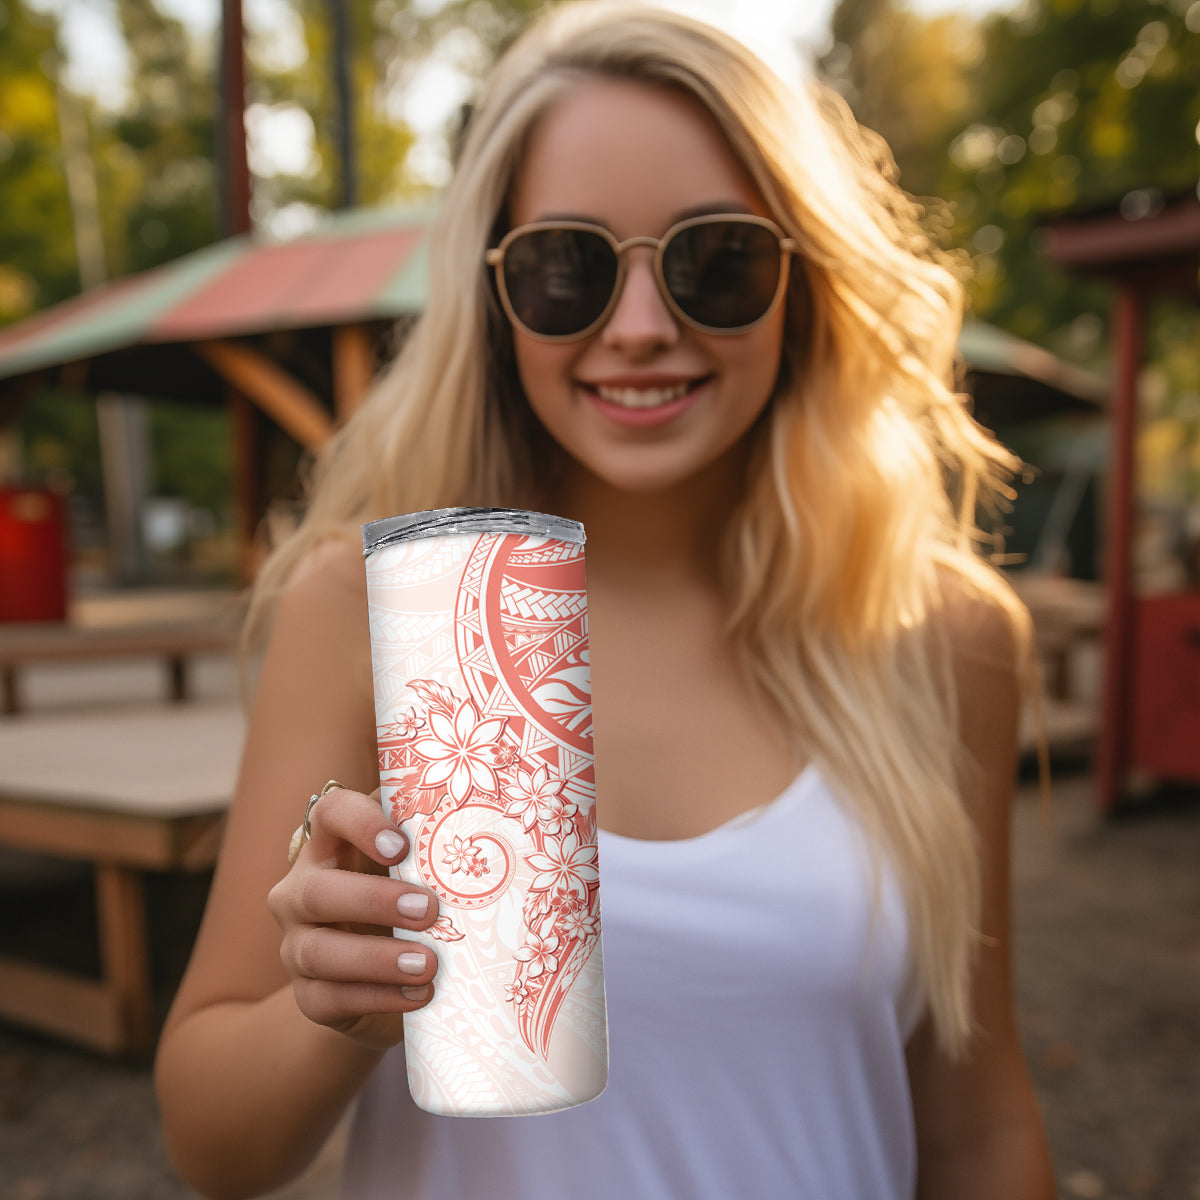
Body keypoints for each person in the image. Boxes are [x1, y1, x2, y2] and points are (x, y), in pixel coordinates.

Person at [154, 3, 1057, 1197]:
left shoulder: (941, 635)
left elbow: (976, 1127)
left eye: (716, 261)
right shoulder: (375, 609)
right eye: (567, 266)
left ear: (805, 283)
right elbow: (212, 1145)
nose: (640, 329)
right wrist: (333, 1007)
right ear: (493, 294)